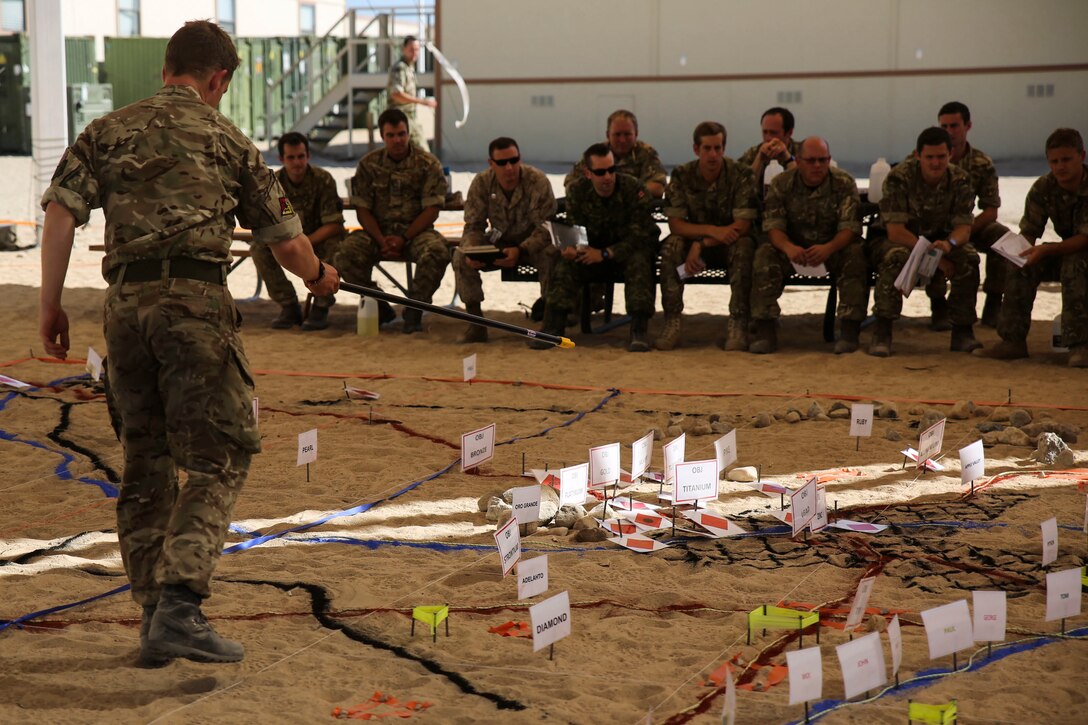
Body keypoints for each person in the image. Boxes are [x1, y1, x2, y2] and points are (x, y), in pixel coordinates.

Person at [37, 21, 339, 666]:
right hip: (194, 310)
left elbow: (60, 213)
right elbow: (288, 245)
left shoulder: (106, 130)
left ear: (168, 67)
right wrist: (320, 278)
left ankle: (154, 617)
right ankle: (179, 605)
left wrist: (50, 305)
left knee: (145, 462)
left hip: (124, 313)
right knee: (219, 456)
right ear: (219, 78)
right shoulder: (227, 137)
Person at [975, 127, 1088, 367]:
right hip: (1065, 251)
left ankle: (1080, 344)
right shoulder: (1043, 188)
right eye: (1054, 161)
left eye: (1066, 159)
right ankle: (1012, 340)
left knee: (1075, 264)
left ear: (1082, 156)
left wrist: (1046, 249)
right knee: (1021, 263)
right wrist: (1021, 251)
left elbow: (1084, 239)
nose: (1060, 167)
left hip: (1081, 254)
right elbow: (1030, 230)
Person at [531, 143, 658, 352]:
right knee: (566, 264)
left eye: (611, 170)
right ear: (588, 173)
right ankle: (553, 327)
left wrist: (606, 253)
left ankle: (639, 331)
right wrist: (573, 247)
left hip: (625, 252)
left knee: (640, 260)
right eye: (600, 172)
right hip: (592, 253)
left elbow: (641, 235)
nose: (607, 177)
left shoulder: (634, 190)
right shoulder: (578, 191)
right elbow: (575, 227)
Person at [869, 126, 980, 356]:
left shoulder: (960, 180)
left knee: (968, 258)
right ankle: (883, 331)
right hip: (898, 240)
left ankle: (962, 331)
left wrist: (949, 245)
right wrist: (935, 258)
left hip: (940, 241)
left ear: (950, 154)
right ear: (918, 155)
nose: (936, 163)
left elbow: (963, 228)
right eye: (929, 157)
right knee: (896, 257)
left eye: (941, 156)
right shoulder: (898, 178)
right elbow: (896, 231)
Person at [337, 108, 449, 334]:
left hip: (416, 233)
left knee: (437, 252)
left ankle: (414, 310)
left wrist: (404, 238)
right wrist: (381, 239)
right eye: (391, 135)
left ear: (408, 133)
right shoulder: (369, 165)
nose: (398, 140)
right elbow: (362, 209)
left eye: (402, 134)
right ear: (382, 136)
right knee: (344, 254)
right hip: (377, 233)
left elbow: (432, 209)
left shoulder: (428, 164)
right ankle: (378, 305)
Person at [751, 137, 867, 354]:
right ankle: (765, 330)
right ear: (799, 160)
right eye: (811, 160)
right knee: (765, 254)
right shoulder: (781, 183)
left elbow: (850, 228)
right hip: (792, 248)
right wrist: (788, 247)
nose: (817, 166)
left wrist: (828, 248)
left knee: (855, 253)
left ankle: (850, 331)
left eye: (822, 160)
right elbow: (774, 227)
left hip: (832, 247)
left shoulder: (843, 183)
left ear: (829, 160)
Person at [656, 121, 757, 351]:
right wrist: (710, 231)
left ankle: (738, 322)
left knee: (744, 246)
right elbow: (676, 225)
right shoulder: (682, 175)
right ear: (696, 149)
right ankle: (672, 321)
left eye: (718, 148)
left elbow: (742, 225)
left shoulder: (741, 174)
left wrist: (702, 243)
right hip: (695, 244)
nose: (713, 154)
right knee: (671, 246)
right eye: (707, 149)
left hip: (727, 245)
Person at [453, 136, 558, 343]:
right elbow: (474, 226)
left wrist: (522, 249)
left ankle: (550, 324)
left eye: (514, 160)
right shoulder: (482, 183)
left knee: (552, 255)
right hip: (498, 244)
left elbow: (547, 227)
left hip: (532, 246)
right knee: (460, 257)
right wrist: (472, 251)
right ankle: (476, 324)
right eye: (502, 163)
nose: (509, 167)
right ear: (491, 164)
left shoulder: (537, 181)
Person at [925, 101, 1010, 329]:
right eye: (944, 126)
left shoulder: (981, 163)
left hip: (971, 225)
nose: (949, 131)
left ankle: (993, 304)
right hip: (936, 226)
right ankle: (939, 306)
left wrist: (965, 232)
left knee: (1005, 240)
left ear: (968, 126)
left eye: (955, 125)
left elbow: (990, 210)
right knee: (933, 241)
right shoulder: (929, 157)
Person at [251, 132, 345, 331]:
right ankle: (288, 305)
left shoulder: (323, 180)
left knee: (337, 247)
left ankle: (321, 307)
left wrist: (305, 243)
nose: (297, 162)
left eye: (301, 156)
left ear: (308, 156)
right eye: (291, 157)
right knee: (259, 249)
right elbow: (266, 224)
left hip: (319, 238)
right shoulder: (273, 184)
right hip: (286, 240)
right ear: (281, 159)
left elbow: (334, 224)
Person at [564, 109, 667, 198]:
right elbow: (570, 184)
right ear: (608, 135)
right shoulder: (596, 154)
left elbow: (657, 188)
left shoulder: (646, 153)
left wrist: (630, 195)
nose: (622, 140)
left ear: (636, 134)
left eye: (627, 134)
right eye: (617, 134)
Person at [387, 35, 436, 150]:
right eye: (411, 49)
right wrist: (422, 102)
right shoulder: (400, 68)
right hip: (399, 117)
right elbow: (396, 94)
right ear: (404, 49)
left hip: (409, 117)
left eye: (417, 49)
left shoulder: (410, 68)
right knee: (423, 152)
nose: (414, 52)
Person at [736, 107, 801, 186]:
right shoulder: (753, 153)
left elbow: (802, 185)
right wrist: (759, 159)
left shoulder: (802, 152)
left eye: (773, 133)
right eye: (765, 132)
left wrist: (788, 157)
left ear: (789, 133)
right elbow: (741, 188)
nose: (768, 138)